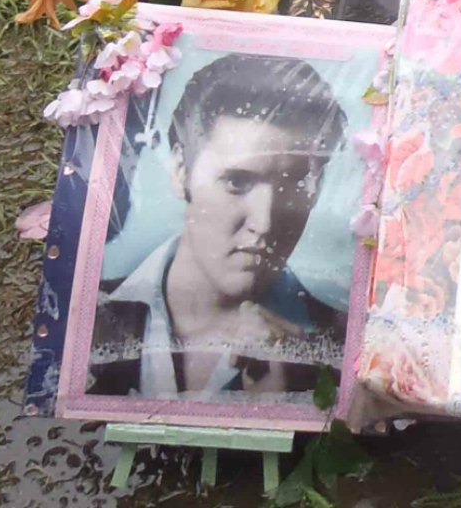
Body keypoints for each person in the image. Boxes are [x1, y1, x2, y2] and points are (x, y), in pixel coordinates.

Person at [87, 54, 350, 399]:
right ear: (181, 169)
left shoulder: (346, 350)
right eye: (237, 183)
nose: (265, 222)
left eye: (295, 184)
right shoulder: (86, 317)